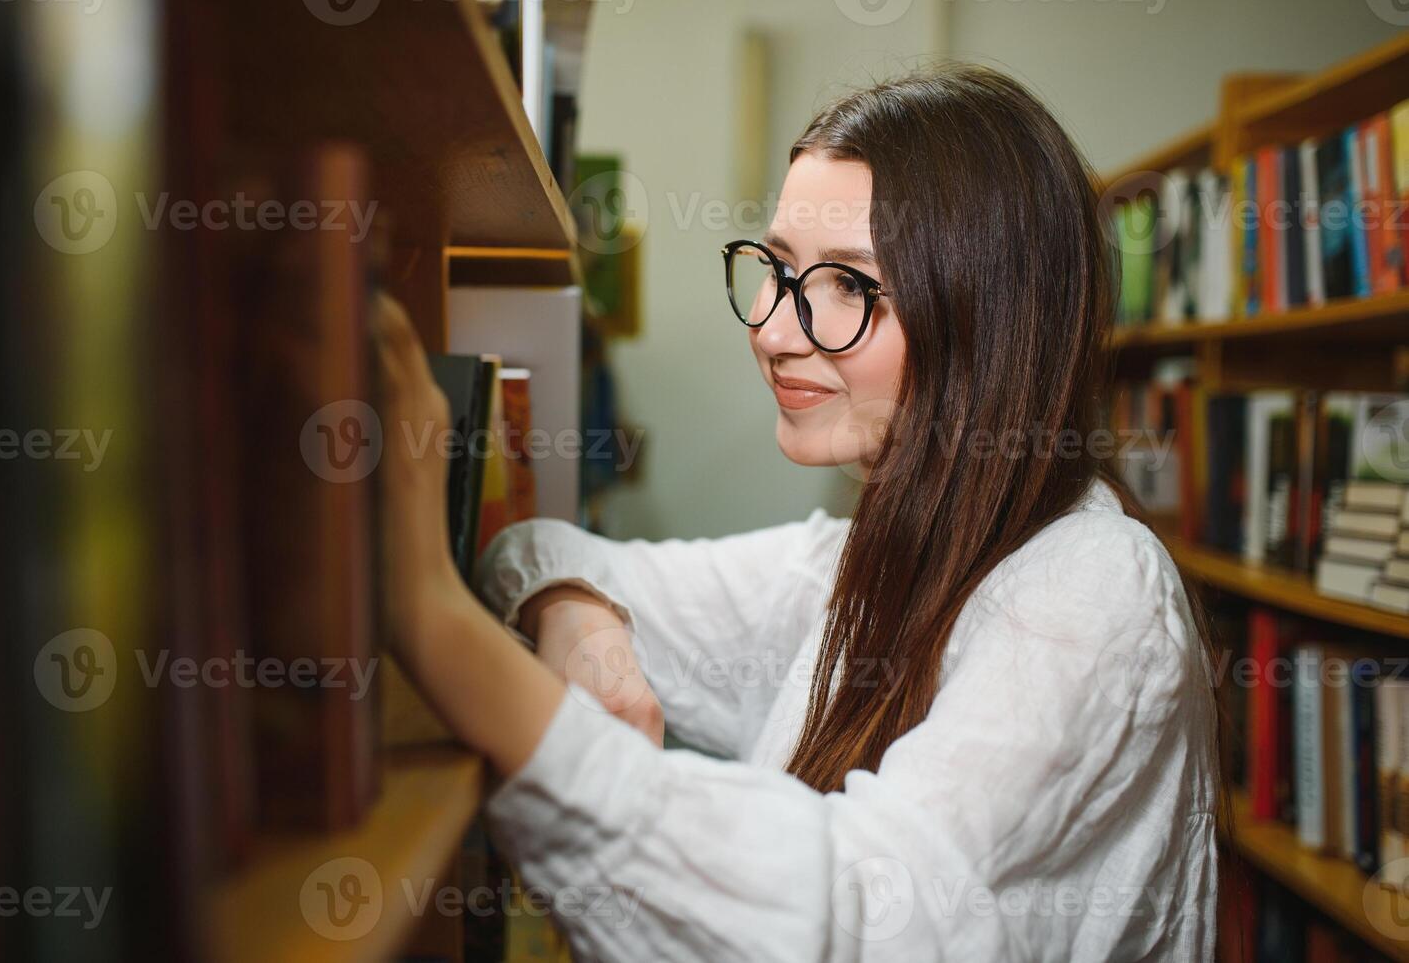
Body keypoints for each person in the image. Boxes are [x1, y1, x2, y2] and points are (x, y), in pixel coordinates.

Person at [374, 64, 1219, 961]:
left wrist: (429, 614)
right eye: (778, 268)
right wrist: (579, 616)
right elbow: (534, 549)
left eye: (850, 287)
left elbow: (861, 921)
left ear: (989, 318)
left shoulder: (1093, 592)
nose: (775, 330)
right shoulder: (860, 557)